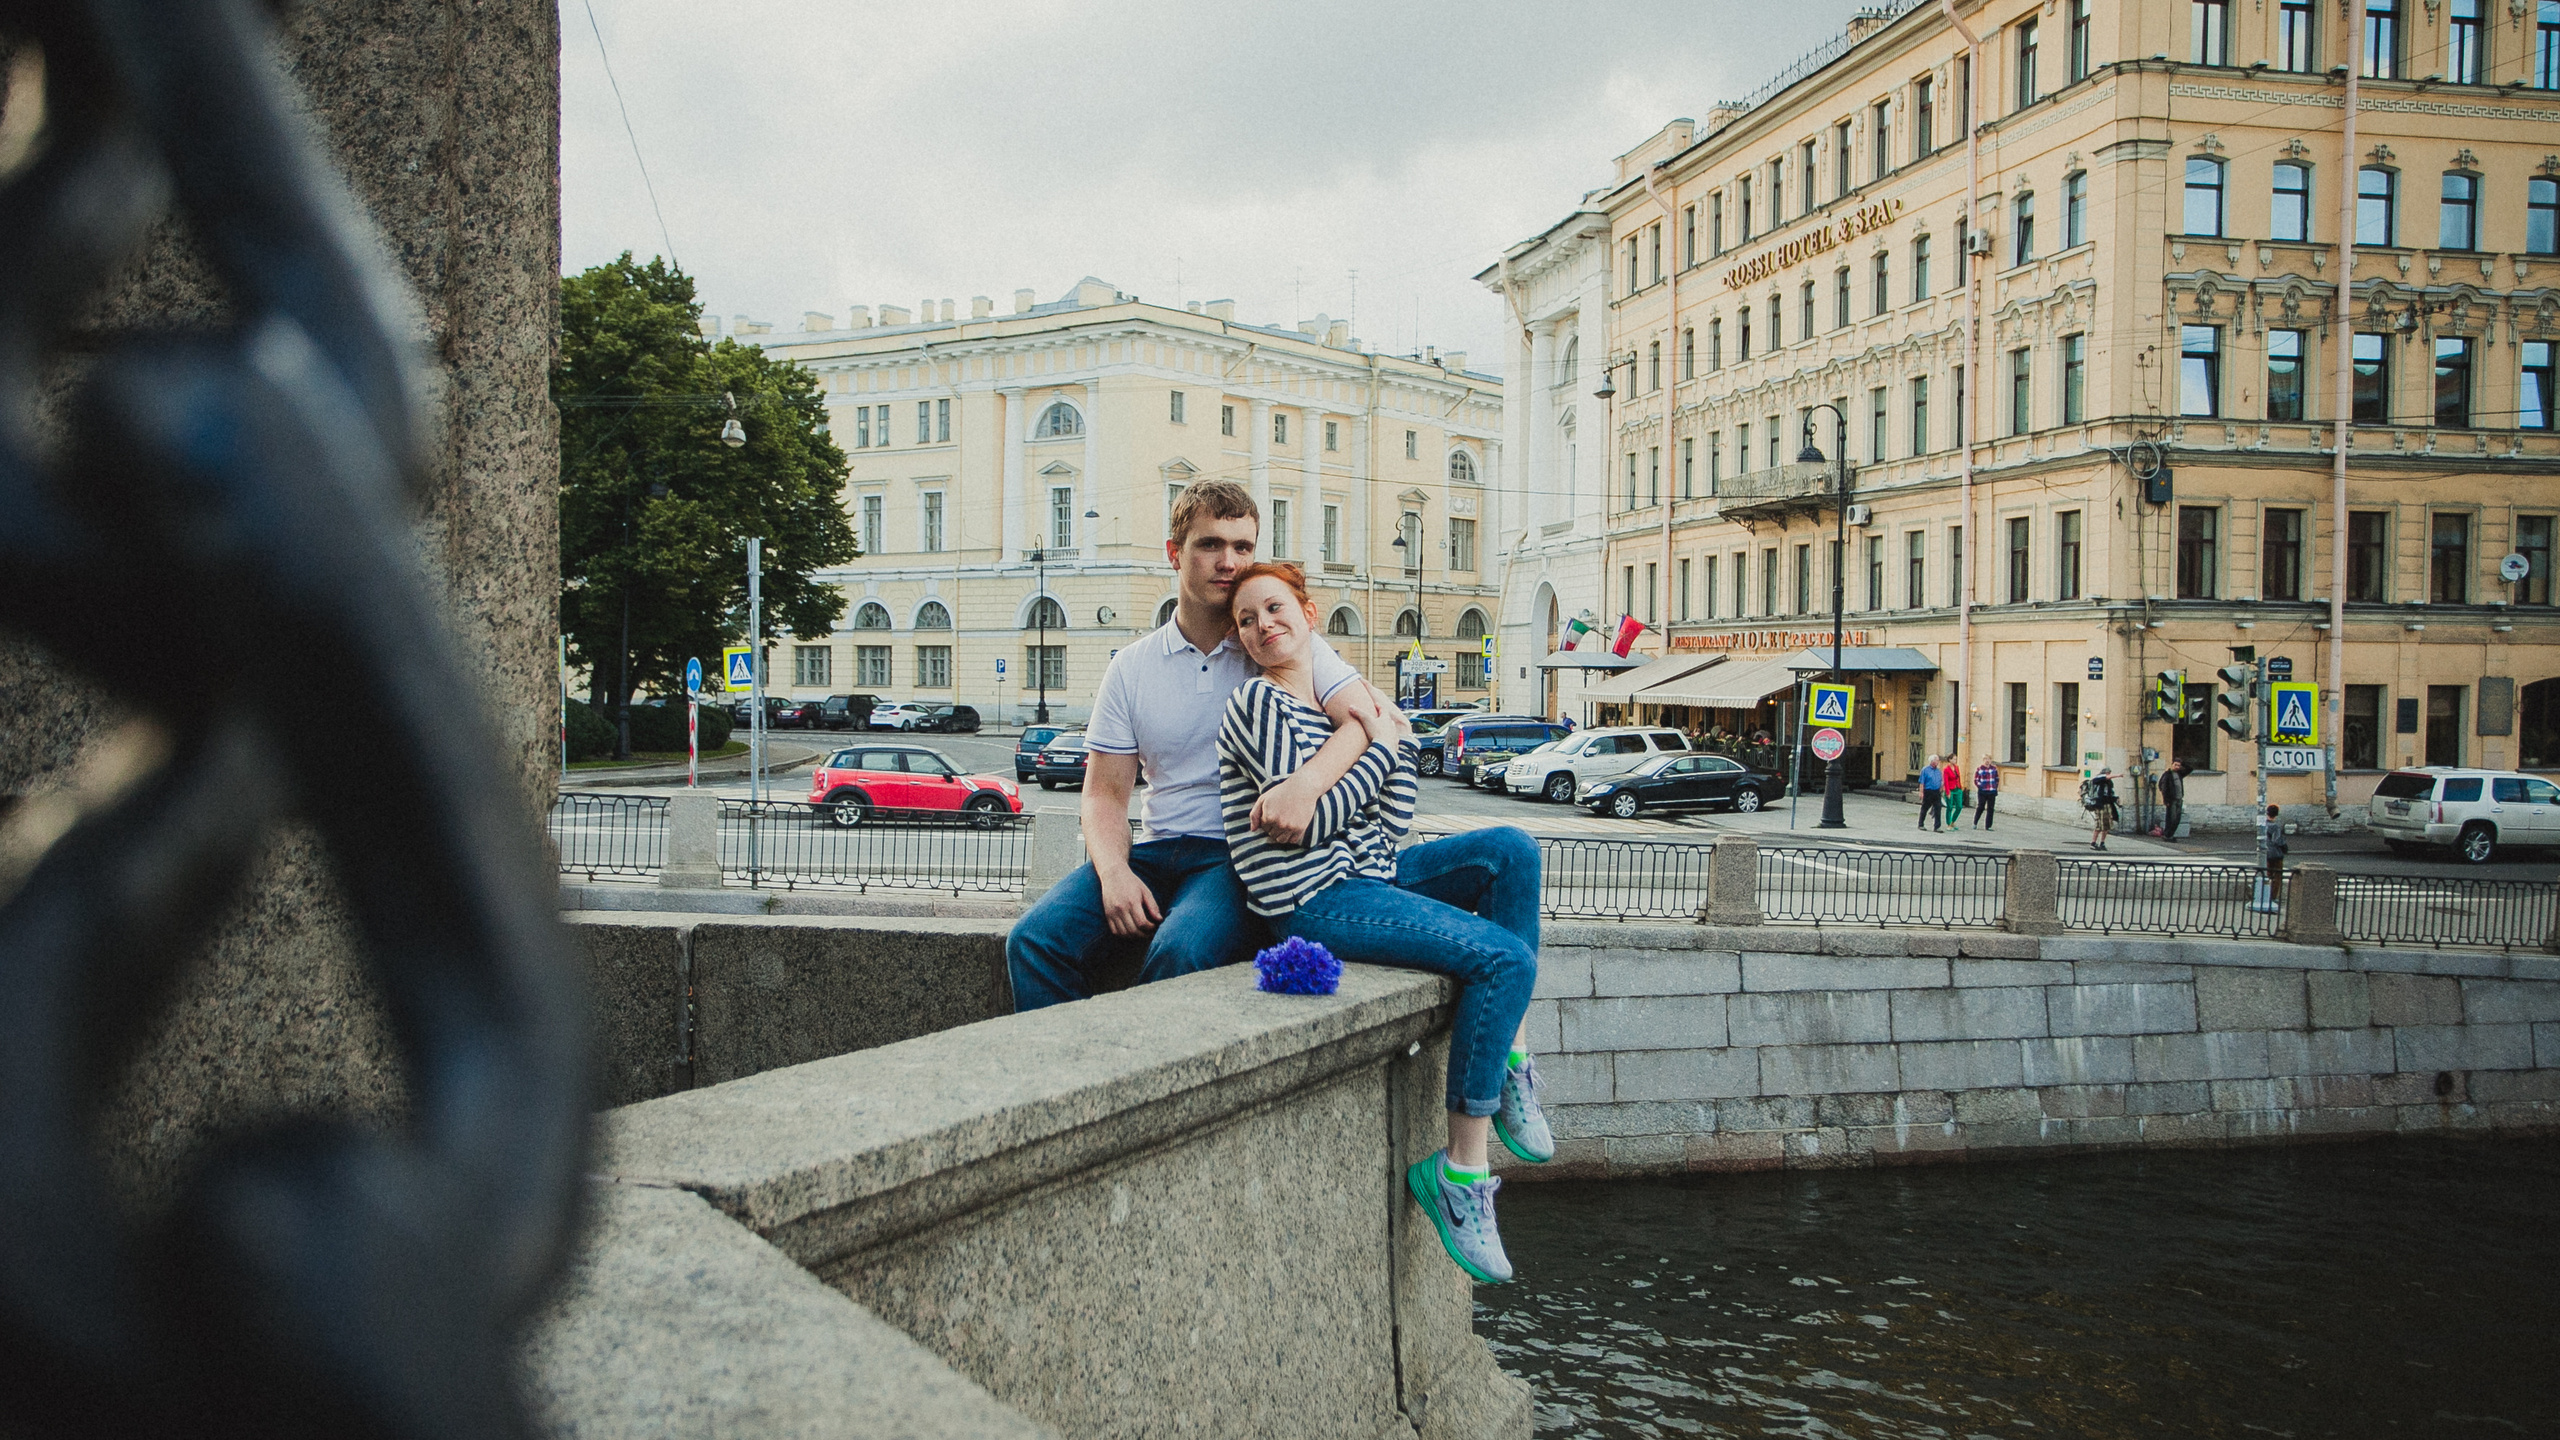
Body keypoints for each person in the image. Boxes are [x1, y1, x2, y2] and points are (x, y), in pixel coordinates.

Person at [1217, 562, 1549, 1286]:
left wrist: (1373, 751)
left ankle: (1512, 1060)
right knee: (1504, 960)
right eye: (1246, 619)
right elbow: (1300, 828)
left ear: (1307, 614)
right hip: (1313, 898)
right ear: (1240, 639)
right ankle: (1461, 1173)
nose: (1262, 624)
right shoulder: (1256, 704)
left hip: (1370, 872)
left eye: (1274, 608)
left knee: (1512, 851)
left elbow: (1394, 818)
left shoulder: (1338, 706)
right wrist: (1382, 745)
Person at [1007, 480, 1385, 1011]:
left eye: (1243, 547)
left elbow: (1367, 723)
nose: (1229, 562)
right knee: (1031, 942)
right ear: (1174, 554)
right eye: (1210, 544)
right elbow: (1104, 795)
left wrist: (1306, 785)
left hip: (1235, 858)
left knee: (1181, 952)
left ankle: (1146, 1065)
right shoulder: (1131, 667)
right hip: (1155, 852)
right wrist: (1114, 874)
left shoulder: (1275, 640)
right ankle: (1071, 1062)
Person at [2084, 767, 2119, 850]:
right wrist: (2118, 775)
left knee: (2107, 825)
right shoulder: (2097, 780)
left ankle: (2102, 843)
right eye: (2108, 773)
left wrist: (2115, 799)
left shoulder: (2109, 783)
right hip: (2099, 805)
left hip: (2108, 805)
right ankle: (2093, 842)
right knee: (2099, 825)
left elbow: (2110, 794)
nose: (2109, 775)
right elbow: (2101, 778)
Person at [2259, 803, 2289, 898]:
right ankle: (2272, 897)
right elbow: (2277, 840)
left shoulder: (2263, 825)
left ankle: (2263, 894)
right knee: (2277, 877)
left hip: (2266, 854)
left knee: (2266, 875)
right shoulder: (2275, 826)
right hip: (2276, 854)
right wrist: (2284, 847)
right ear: (2276, 814)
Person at [2157, 759, 2187, 843]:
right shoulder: (2168, 774)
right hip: (2171, 800)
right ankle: (2167, 835)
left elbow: (2189, 769)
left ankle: (2170, 835)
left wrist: (2183, 764)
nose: (2177, 767)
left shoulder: (2179, 774)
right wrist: (2166, 800)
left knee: (2177, 819)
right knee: (2171, 819)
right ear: (2172, 764)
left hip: (2179, 799)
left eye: (2179, 765)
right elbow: (2162, 787)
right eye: (2175, 765)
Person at [1917, 753, 1944, 831]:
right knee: (1925, 808)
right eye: (1937, 760)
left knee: (1938, 808)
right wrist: (1921, 792)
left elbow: (1941, 780)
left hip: (1936, 792)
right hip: (1928, 791)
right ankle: (1921, 824)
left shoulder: (1938, 771)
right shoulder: (1925, 770)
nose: (1938, 762)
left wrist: (1941, 788)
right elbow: (1922, 782)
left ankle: (1937, 826)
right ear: (1932, 761)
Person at [1973, 755, 2000, 830]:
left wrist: (1995, 787)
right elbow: (1976, 780)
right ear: (1983, 760)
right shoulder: (1979, 769)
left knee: (1990, 808)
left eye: (1988, 759)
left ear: (1991, 760)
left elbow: (1997, 779)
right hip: (1983, 791)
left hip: (1991, 791)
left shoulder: (1994, 769)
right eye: (1985, 759)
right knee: (1980, 807)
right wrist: (1980, 786)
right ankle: (1975, 822)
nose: (1987, 761)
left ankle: (1988, 826)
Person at [1941, 756, 1966, 828]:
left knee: (1959, 806)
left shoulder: (1956, 767)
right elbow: (1946, 781)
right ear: (1950, 760)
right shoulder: (1946, 769)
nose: (1955, 760)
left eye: (1956, 759)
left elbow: (1958, 778)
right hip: (1950, 789)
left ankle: (1953, 821)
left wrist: (1960, 787)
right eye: (1954, 759)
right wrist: (1947, 792)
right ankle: (1948, 823)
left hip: (1957, 789)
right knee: (1950, 807)